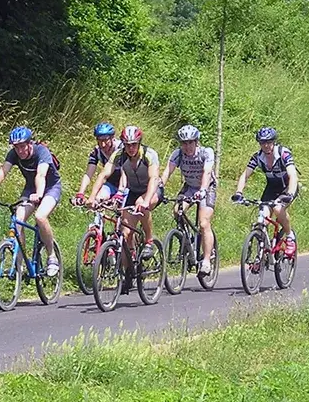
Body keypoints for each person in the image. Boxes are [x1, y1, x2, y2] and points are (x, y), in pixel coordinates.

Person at [0, 126, 62, 276]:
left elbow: (41, 175)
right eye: (16, 147)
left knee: (40, 216)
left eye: (22, 146)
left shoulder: (41, 152)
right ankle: (19, 263)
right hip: (31, 189)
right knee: (18, 220)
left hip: (50, 188)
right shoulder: (13, 154)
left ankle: (52, 257)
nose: (20, 151)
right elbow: (2, 173)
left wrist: (39, 194)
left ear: (30, 143)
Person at [89, 125, 160, 286]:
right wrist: (92, 197)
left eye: (134, 144)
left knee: (143, 206)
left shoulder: (149, 154)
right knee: (125, 233)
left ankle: (149, 241)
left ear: (139, 143)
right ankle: (130, 268)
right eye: (127, 145)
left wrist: (146, 200)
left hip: (152, 189)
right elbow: (104, 174)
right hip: (133, 190)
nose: (131, 148)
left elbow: (154, 179)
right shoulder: (119, 155)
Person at [231, 126, 299, 259]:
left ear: (274, 142)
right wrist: (238, 192)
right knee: (262, 218)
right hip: (272, 188)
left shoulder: (283, 153)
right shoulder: (258, 157)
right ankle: (260, 256)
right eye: (262, 143)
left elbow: (293, 175)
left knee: (279, 209)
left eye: (268, 142)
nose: (266, 145)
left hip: (287, 187)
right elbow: (245, 175)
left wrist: (289, 194)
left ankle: (290, 236)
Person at [160, 124, 216, 276]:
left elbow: (206, 172)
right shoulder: (178, 154)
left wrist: (203, 190)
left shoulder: (206, 152)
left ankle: (206, 260)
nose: (187, 146)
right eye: (184, 143)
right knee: (177, 212)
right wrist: (159, 187)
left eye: (190, 142)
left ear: (196, 142)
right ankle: (188, 239)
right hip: (190, 186)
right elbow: (167, 172)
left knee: (204, 223)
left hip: (207, 187)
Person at [74, 121, 122, 226]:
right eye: (99, 141)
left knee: (125, 227)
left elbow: (126, 174)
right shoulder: (97, 151)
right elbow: (88, 174)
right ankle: (99, 233)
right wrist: (81, 193)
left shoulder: (121, 149)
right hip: (111, 184)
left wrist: (120, 193)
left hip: (126, 185)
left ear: (112, 138)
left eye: (105, 140)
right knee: (97, 200)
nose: (103, 144)